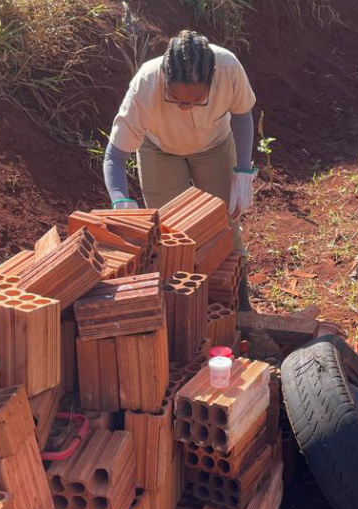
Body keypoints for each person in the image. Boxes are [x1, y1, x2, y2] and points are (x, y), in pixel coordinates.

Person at [103, 29, 256, 311]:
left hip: (214, 145)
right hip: (160, 150)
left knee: (224, 223)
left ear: (212, 83)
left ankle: (240, 304)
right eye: (178, 100)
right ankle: (186, 309)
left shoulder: (228, 67)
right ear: (165, 83)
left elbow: (242, 116)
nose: (186, 107)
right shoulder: (146, 85)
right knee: (171, 233)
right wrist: (120, 201)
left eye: (196, 100)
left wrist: (243, 171)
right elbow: (115, 156)